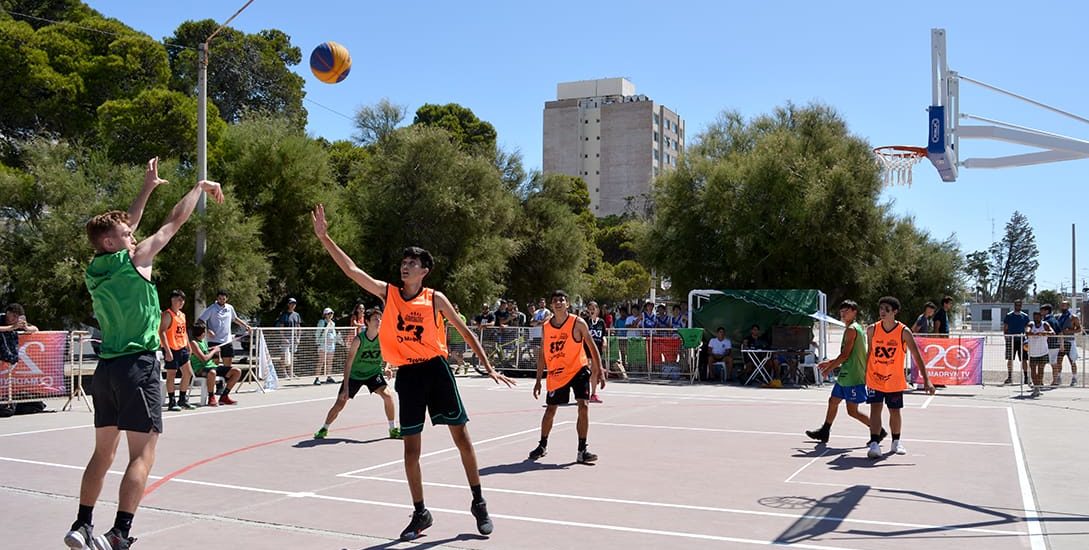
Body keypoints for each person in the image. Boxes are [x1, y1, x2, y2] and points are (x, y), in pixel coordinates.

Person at [312, 204, 514, 541]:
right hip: (408, 374)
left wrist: (488, 365)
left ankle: (478, 501)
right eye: (403, 263)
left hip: (436, 370)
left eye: (412, 264)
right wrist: (325, 237)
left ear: (425, 271)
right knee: (410, 449)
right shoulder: (388, 293)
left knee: (461, 438)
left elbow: (465, 332)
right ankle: (421, 512)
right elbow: (352, 270)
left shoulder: (435, 299)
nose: (405, 267)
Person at [66, 157, 223, 550]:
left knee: (103, 453)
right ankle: (120, 531)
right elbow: (173, 223)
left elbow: (125, 226)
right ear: (111, 241)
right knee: (143, 454)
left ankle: (82, 524)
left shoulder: (96, 270)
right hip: (138, 366)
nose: (133, 235)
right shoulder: (137, 261)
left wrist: (147, 187)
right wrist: (198, 188)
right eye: (126, 233)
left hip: (105, 371)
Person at [528, 290, 605, 464]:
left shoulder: (578, 323)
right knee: (550, 410)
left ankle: (582, 450)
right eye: (555, 300)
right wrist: (538, 380)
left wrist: (599, 370)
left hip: (578, 369)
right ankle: (542, 445)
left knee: (583, 406)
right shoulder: (546, 327)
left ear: (567, 304)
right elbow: (542, 354)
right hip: (557, 373)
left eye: (561, 300)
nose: (558, 302)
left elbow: (592, 347)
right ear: (551, 305)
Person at [314, 307, 401, 440]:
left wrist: (387, 367)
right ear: (367, 322)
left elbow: (388, 355)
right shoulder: (359, 340)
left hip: (373, 374)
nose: (379, 321)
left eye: (379, 318)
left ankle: (393, 429)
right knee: (340, 403)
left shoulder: (383, 338)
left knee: (388, 395)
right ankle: (324, 428)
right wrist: (346, 387)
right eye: (375, 319)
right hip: (355, 375)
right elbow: (348, 364)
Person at [805, 300, 885, 443]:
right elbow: (848, 354)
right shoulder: (855, 328)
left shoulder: (852, 329)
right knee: (833, 401)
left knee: (852, 411)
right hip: (846, 373)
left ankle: (878, 430)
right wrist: (829, 362)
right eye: (841, 311)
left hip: (853, 375)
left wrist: (829, 368)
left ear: (854, 312)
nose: (843, 314)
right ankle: (825, 431)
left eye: (846, 311)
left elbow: (845, 355)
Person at [865, 296, 935, 459]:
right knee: (875, 408)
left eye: (886, 309)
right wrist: (865, 374)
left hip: (894, 379)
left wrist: (927, 380)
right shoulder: (872, 330)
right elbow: (869, 353)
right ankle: (874, 444)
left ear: (895, 312)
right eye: (881, 308)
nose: (882, 312)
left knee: (894, 410)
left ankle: (896, 442)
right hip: (875, 377)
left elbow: (917, 357)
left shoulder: (904, 332)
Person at [188, 321, 241, 406]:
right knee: (212, 373)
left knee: (236, 371)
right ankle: (211, 397)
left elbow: (205, 351)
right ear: (202, 332)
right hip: (200, 369)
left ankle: (224, 396)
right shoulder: (193, 343)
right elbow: (204, 359)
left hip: (211, 366)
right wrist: (214, 351)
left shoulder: (203, 341)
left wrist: (212, 349)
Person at [197, 289, 251, 371]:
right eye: (220, 298)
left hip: (226, 340)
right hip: (214, 340)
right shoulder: (212, 308)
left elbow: (235, 319)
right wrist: (207, 330)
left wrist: (246, 326)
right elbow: (200, 320)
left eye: (223, 299)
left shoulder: (230, 308)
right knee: (215, 362)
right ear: (217, 298)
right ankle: (215, 381)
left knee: (228, 363)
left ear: (226, 299)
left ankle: (224, 382)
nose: (221, 300)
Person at [158, 290, 194, 411]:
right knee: (171, 376)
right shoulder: (167, 314)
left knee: (187, 373)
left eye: (182, 300)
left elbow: (183, 332)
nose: (181, 302)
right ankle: (172, 401)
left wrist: (188, 345)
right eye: (179, 300)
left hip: (182, 347)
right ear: (172, 300)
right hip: (171, 348)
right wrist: (167, 351)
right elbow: (161, 332)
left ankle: (182, 399)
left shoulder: (182, 315)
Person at [1, 304, 39, 373]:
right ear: (8, 313)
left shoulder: (18, 323)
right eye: (14, 316)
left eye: (17, 317)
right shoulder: (1, 317)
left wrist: (26, 328)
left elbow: (36, 329)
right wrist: (11, 328)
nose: (15, 319)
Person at [585, 301, 610, 402]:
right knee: (587, 371)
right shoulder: (585, 321)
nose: (591, 310)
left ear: (597, 310)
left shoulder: (601, 322)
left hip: (597, 349)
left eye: (593, 308)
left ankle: (593, 394)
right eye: (590, 308)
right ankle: (584, 392)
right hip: (586, 349)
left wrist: (604, 341)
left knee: (595, 371)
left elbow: (603, 335)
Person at [1001, 299, 1030, 385]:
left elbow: (1027, 327)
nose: (1018, 306)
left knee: (1024, 359)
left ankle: (1026, 377)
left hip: (1022, 340)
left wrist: (1027, 339)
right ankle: (1010, 377)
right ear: (1014, 305)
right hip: (1011, 339)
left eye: (1019, 305)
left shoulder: (1025, 316)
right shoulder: (1009, 316)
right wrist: (1006, 338)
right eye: (1016, 305)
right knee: (1010, 359)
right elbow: (1005, 327)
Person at [1025, 311, 1053, 398]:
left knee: (1041, 370)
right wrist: (1034, 333)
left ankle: (1038, 386)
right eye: (1035, 317)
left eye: (1038, 317)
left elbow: (1052, 332)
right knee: (1033, 370)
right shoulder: (1031, 324)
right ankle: (1035, 386)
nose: (1036, 318)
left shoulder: (1045, 324)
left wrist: (1045, 333)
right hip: (1033, 352)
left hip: (1043, 351)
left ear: (1041, 317)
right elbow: (1027, 332)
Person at [1053, 300, 1081, 386]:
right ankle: (1059, 377)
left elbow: (1079, 329)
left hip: (1070, 341)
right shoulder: (1057, 317)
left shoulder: (1073, 317)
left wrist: (1070, 331)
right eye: (1061, 305)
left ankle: (1074, 378)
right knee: (1059, 361)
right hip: (1060, 341)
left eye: (1064, 305)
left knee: (1072, 360)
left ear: (1068, 306)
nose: (1062, 307)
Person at [274, 298, 302, 378]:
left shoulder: (297, 315)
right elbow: (281, 327)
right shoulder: (284, 315)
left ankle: (291, 372)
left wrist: (298, 337)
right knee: (284, 355)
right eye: (291, 303)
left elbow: (298, 327)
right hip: (286, 337)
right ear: (288, 304)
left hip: (294, 337)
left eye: (294, 304)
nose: (293, 305)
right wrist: (283, 338)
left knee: (292, 355)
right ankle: (284, 373)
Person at [314, 307, 341, 385]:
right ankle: (317, 378)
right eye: (329, 313)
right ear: (325, 315)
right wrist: (319, 342)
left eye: (331, 313)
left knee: (330, 361)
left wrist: (336, 340)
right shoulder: (322, 322)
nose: (330, 315)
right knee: (321, 361)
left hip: (331, 345)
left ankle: (329, 377)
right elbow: (318, 332)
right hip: (323, 344)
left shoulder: (333, 323)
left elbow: (334, 334)